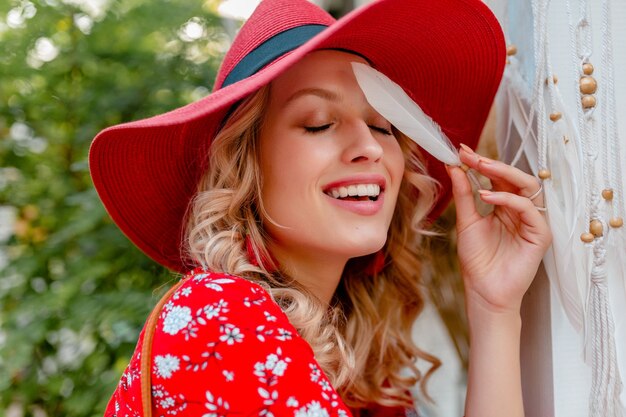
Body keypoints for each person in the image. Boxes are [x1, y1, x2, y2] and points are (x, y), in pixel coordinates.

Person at [89, 0, 552, 416]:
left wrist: (494, 309)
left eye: (384, 125)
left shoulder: (364, 371)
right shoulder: (220, 315)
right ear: (244, 169)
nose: (369, 146)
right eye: (319, 123)